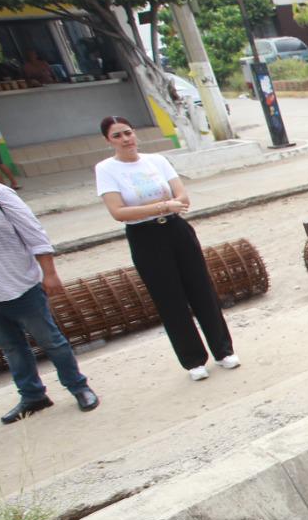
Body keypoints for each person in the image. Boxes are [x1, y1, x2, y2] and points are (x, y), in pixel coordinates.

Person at [96, 115, 239, 380]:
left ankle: (223, 350)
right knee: (169, 297)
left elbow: (181, 196)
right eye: (117, 135)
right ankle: (193, 359)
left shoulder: (156, 161)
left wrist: (169, 207)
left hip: (175, 228)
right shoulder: (106, 169)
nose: (125, 139)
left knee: (201, 288)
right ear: (108, 140)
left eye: (127, 132)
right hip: (144, 234)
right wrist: (162, 206)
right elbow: (118, 211)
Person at [0, 174, 99, 423]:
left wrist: (50, 273)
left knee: (51, 341)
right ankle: (33, 396)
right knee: (11, 347)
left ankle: (78, 387)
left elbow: (33, 232)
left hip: (18, 286)